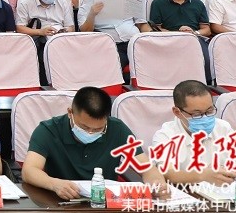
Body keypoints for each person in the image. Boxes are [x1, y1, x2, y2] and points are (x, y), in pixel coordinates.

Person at [21, 86, 168, 200]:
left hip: (104, 203)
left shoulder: (117, 129)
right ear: (70, 112)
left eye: (98, 129)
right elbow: (29, 170)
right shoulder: (49, 130)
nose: (90, 132)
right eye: (84, 127)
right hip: (60, 201)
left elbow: (146, 168)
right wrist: (55, 184)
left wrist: (157, 184)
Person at [151, 80, 236, 184]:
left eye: (209, 111)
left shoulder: (223, 128)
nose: (205, 118)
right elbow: (167, 173)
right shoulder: (165, 135)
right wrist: (203, 175)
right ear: (177, 112)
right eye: (197, 114)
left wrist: (224, 171)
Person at [78, 0, 150, 72]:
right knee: (115, 65)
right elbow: (85, 32)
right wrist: (92, 14)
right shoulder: (86, 7)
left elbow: (142, 23)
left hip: (134, 41)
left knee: (152, 61)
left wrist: (150, 36)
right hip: (111, 46)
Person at [15, 0, 75, 85]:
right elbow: (20, 28)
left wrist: (64, 31)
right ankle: (46, 83)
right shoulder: (26, 3)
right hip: (37, 38)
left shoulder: (62, 2)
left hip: (60, 39)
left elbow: (71, 27)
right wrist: (40, 32)